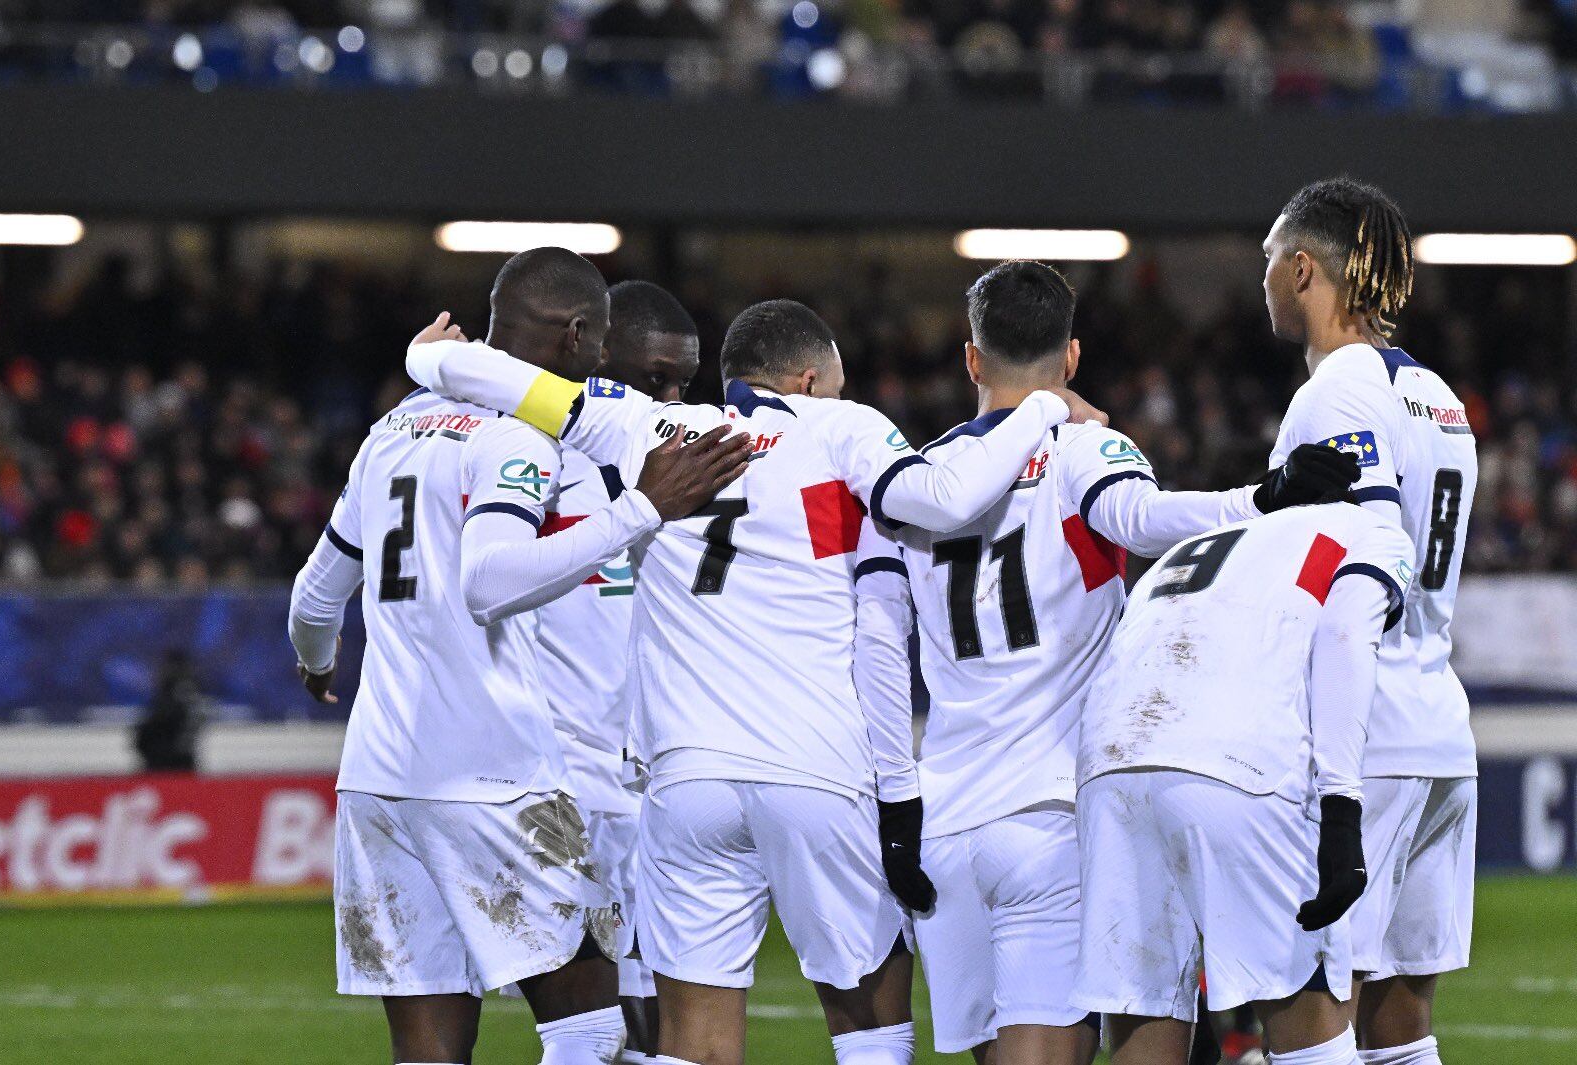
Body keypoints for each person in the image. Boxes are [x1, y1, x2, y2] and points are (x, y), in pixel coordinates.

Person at [405, 297, 1107, 1065]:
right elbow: (942, 501)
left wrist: (425, 356)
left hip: (689, 778)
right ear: (809, 380)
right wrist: (1044, 405)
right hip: (817, 767)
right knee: (869, 1025)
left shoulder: (650, 425)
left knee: (693, 1041)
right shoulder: (845, 427)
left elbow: (505, 380)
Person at [852, 260, 1360, 1065]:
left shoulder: (909, 481)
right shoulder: (1083, 448)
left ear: (972, 359)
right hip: (1052, 816)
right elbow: (1142, 517)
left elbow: (876, 643)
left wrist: (897, 803)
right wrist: (1261, 498)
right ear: (1073, 357)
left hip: (945, 823)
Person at [286, 249, 747, 1065]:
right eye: (598, 343)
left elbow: (316, 597)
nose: (600, 362)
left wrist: (318, 661)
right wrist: (643, 507)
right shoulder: (519, 439)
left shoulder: (389, 433)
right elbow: (490, 581)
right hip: (496, 777)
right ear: (576, 335)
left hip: (377, 780)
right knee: (593, 1028)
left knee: (427, 1051)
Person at [1261, 178, 1479, 1065]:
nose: (1263, 280)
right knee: (1400, 1023)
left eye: (1268, 261)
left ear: (1302, 269)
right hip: (1438, 730)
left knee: (1310, 1008)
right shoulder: (1440, 395)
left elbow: (1365, 562)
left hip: (1362, 736)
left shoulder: (1337, 391)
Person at [1073, 502, 1416, 1065]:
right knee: (1311, 1035)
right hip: (1237, 763)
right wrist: (1341, 807)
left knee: (1146, 1019)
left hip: (1110, 765)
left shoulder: (1193, 542)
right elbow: (1346, 634)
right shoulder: (1368, 527)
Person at [532, 279, 703, 1063]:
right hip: (562, 773)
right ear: (598, 354)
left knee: (635, 1019)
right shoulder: (530, 446)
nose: (669, 400)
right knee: (596, 1026)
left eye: (683, 384)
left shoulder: (689, 456)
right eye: (655, 377)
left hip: (645, 776)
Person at [134, 649, 202, 773]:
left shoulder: (174, 699)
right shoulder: (185, 696)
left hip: (168, 764)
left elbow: (158, 727)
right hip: (173, 763)